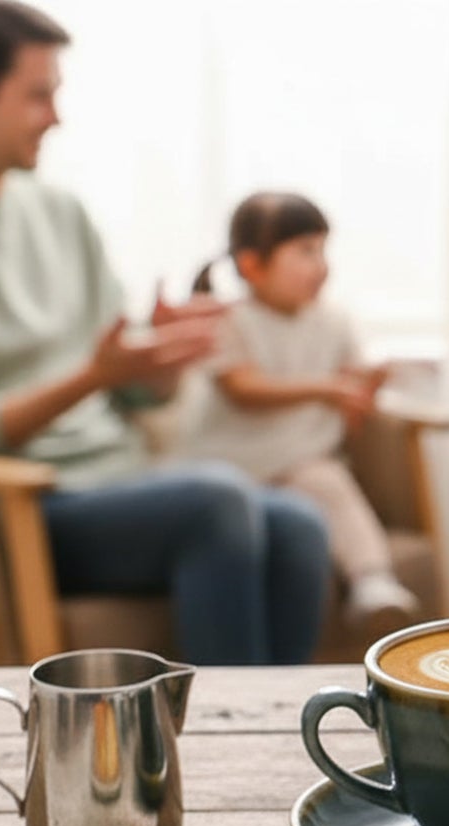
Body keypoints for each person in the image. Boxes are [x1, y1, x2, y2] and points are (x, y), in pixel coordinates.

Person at [0, 1, 330, 665]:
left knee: (300, 523)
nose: (56, 117)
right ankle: (220, 730)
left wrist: (154, 363)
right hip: (24, 505)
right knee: (215, 500)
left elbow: (128, 390)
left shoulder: (59, 212)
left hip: (122, 479)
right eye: (38, 96)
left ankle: (276, 725)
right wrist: (93, 376)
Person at [184, 192, 420, 639]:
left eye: (324, 250)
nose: (322, 265)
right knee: (306, 494)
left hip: (302, 466)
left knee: (329, 485)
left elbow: (352, 387)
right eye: (306, 251)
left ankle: (372, 581)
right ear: (252, 265)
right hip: (234, 469)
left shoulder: (335, 321)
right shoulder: (230, 321)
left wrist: (366, 385)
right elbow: (243, 388)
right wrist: (327, 387)